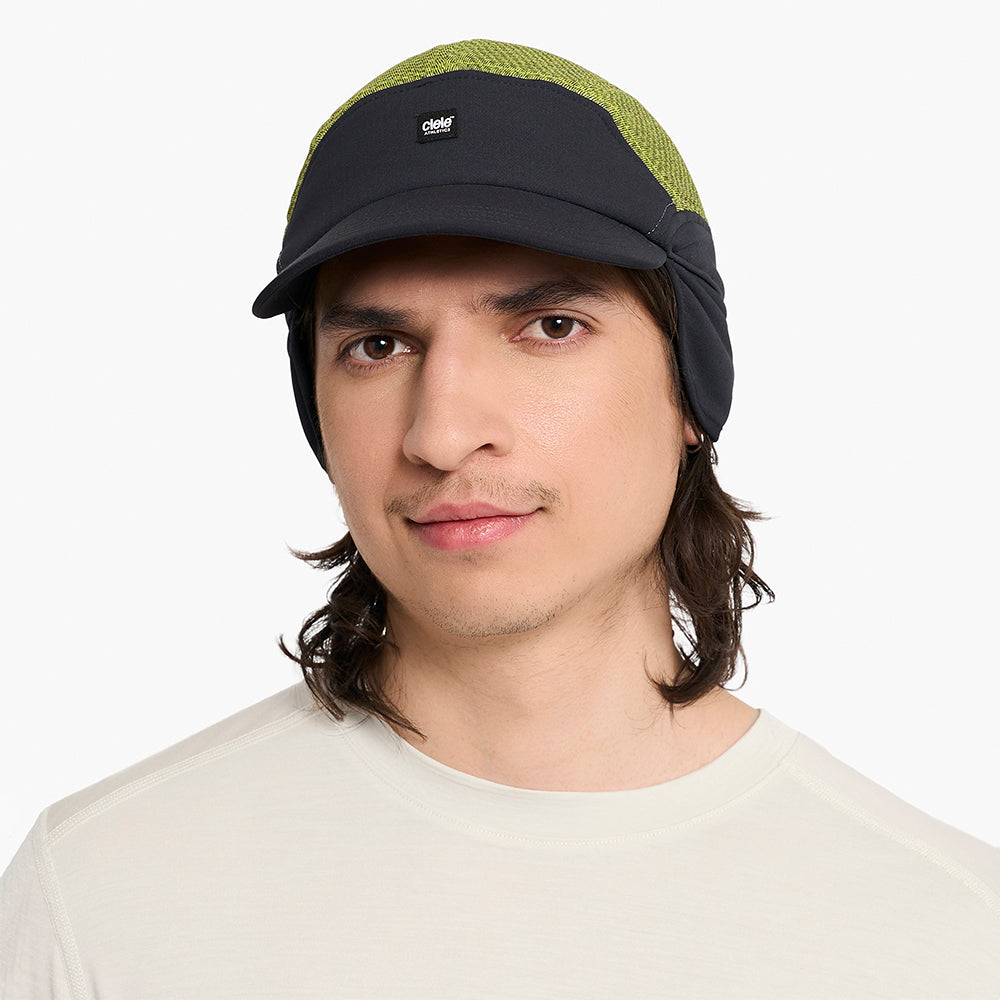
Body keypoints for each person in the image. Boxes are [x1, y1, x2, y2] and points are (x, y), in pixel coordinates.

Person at [1, 37, 997, 999]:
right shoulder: (98, 898)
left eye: (549, 327)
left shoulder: (949, 938)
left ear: (691, 385)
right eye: (378, 346)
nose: (441, 434)